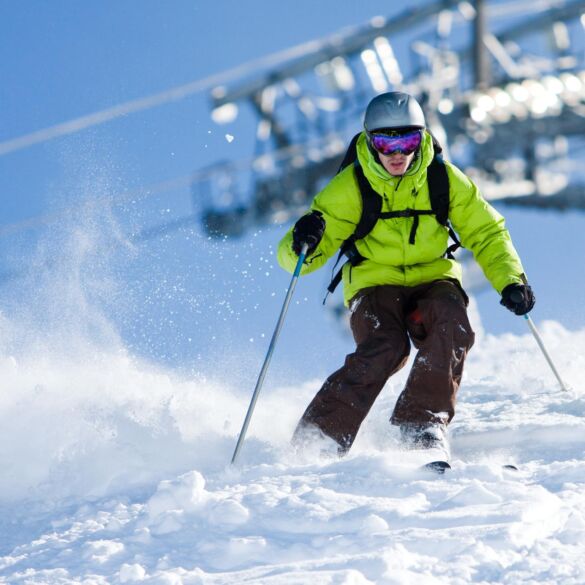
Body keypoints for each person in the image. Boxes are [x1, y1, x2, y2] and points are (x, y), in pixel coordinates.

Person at [277, 91, 535, 459]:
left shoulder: (442, 179)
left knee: (451, 323)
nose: (397, 154)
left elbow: (487, 231)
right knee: (386, 344)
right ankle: (320, 436)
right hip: (373, 281)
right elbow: (295, 259)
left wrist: (511, 279)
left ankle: (421, 423)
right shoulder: (352, 186)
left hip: (433, 277)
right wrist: (305, 237)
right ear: (369, 141)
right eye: (385, 143)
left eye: (409, 141)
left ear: (422, 138)